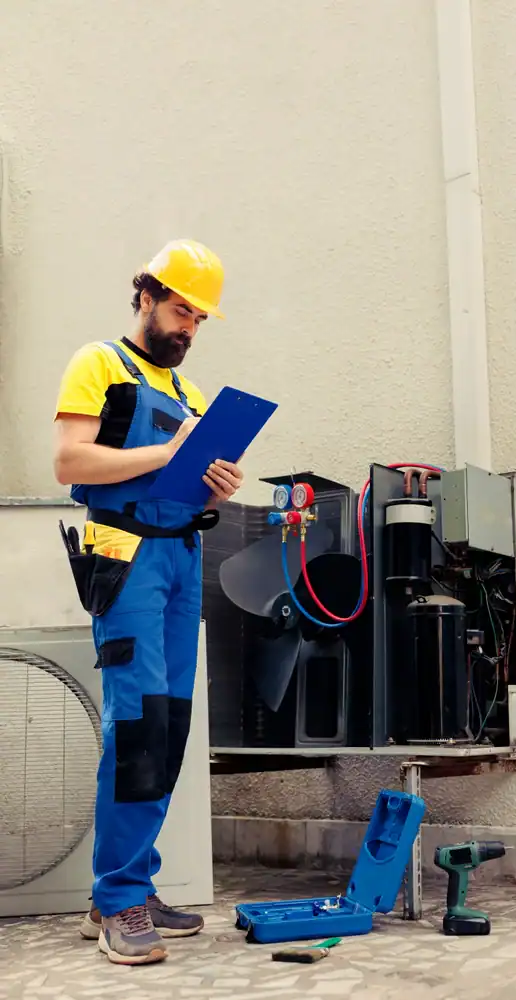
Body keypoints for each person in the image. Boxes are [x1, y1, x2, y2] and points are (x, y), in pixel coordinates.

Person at [53, 239, 243, 966]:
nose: (188, 327)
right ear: (145, 297)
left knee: (167, 727)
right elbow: (71, 460)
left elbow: (179, 479)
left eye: (199, 318)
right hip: (123, 554)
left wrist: (213, 480)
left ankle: (128, 885)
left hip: (181, 555)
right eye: (179, 309)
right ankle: (118, 898)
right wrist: (169, 454)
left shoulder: (193, 398)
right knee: (135, 724)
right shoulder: (98, 363)